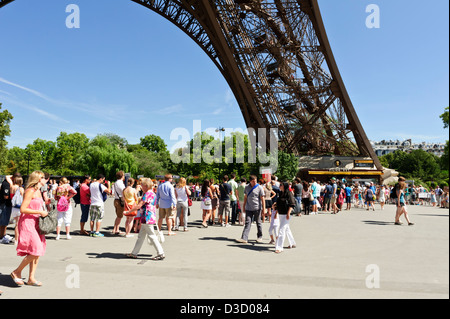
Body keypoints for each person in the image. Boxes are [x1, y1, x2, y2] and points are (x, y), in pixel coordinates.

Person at [11, 171, 48, 287]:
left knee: (37, 250)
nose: (45, 179)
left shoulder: (39, 191)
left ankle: (31, 278)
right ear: (37, 179)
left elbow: (38, 205)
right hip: (28, 222)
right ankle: (16, 272)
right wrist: (39, 212)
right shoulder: (30, 191)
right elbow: (23, 209)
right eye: (43, 177)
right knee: (36, 249)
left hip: (37, 222)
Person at [125, 178, 165, 260]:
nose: (140, 187)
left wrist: (128, 211)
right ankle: (134, 253)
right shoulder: (153, 193)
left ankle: (160, 253)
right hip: (149, 216)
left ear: (146, 186)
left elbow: (139, 205)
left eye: (142, 185)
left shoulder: (146, 194)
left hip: (147, 217)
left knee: (151, 235)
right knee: (141, 236)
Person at [236, 175, 265, 244]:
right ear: (250, 181)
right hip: (248, 208)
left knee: (258, 222)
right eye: (253, 181)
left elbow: (262, 199)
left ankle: (259, 237)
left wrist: (264, 208)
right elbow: (245, 197)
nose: (255, 182)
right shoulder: (246, 187)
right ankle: (244, 238)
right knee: (247, 223)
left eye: (255, 180)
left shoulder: (259, 187)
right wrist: (244, 206)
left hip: (257, 208)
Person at [274, 182, 297, 253]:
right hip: (281, 213)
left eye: (281, 185)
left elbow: (292, 203)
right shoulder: (280, 193)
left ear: (285, 186)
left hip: (287, 213)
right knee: (286, 228)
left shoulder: (289, 193)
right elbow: (279, 203)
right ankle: (292, 243)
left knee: (281, 229)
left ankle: (279, 247)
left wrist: (288, 213)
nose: (280, 186)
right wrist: (276, 210)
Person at [10, 176, 24, 244]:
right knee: (18, 224)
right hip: (19, 208)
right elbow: (23, 198)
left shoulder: (12, 187)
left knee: (17, 223)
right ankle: (17, 239)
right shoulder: (21, 189)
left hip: (13, 207)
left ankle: (16, 239)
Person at [112, 171, 126, 235]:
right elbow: (124, 190)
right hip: (120, 200)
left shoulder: (115, 182)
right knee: (119, 216)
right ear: (122, 176)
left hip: (116, 199)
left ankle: (115, 228)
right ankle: (116, 230)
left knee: (118, 215)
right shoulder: (120, 183)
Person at [0, 175, 13, 244]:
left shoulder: (5, 183)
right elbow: (6, 196)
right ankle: (2, 236)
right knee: (3, 221)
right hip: (4, 204)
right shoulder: (6, 184)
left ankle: (2, 235)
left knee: (4, 221)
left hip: (5, 204)